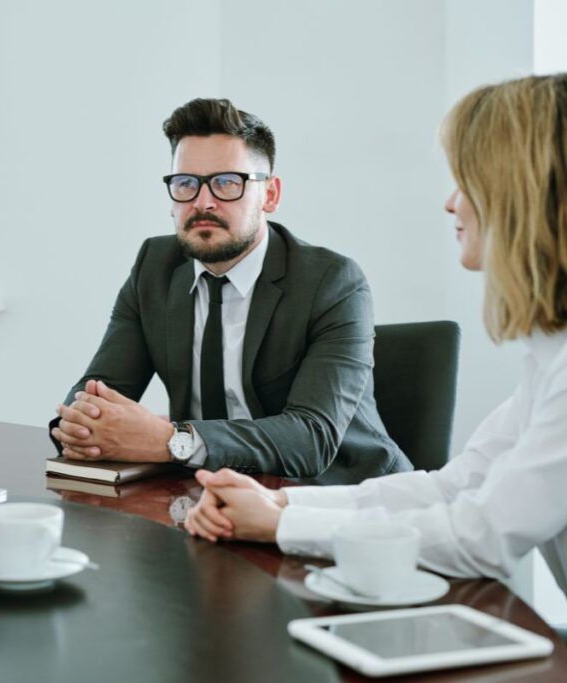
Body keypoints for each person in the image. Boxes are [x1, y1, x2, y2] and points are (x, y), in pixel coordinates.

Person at [184, 74, 567, 595]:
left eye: (468, 182)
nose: (450, 203)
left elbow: (482, 537)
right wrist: (282, 502)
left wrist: (281, 524)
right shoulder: (550, 357)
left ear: (522, 195)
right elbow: (455, 488)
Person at [51, 98, 409, 484]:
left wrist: (173, 441)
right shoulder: (154, 267)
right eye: (186, 184)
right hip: (210, 493)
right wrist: (81, 426)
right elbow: (97, 393)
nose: (203, 202)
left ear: (269, 195)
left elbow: (312, 439)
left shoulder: (332, 282)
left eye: (227, 183)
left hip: (343, 501)